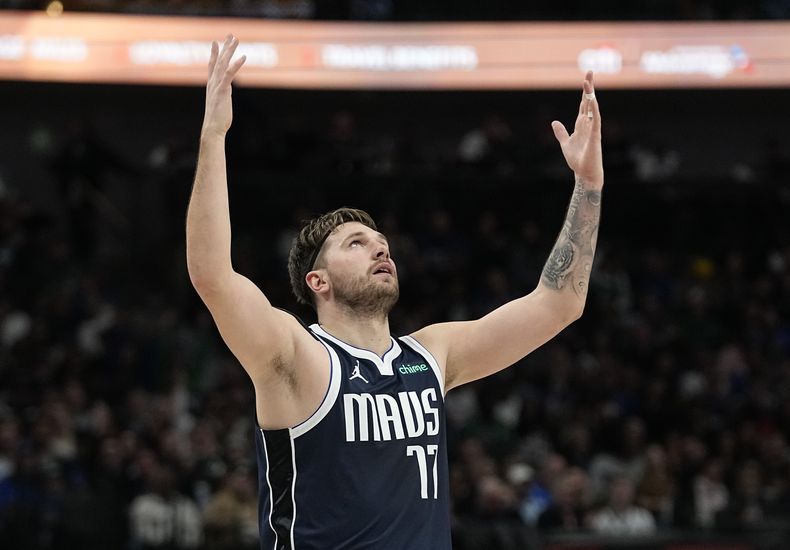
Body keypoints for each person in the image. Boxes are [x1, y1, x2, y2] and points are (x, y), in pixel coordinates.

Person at [186, 35, 603, 549]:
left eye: (381, 242)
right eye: (356, 244)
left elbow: (559, 303)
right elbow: (212, 275)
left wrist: (588, 184)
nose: (380, 249)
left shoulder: (431, 355)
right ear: (318, 281)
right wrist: (213, 135)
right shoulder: (296, 356)